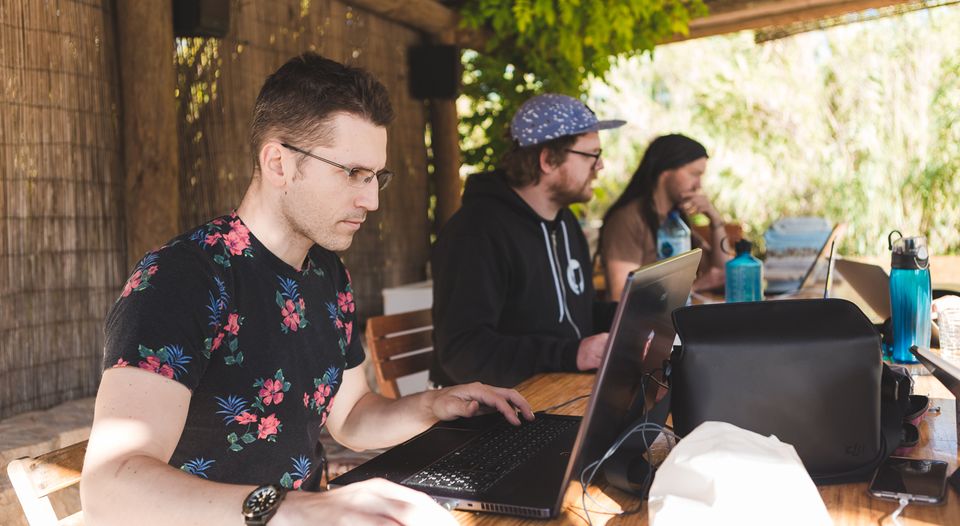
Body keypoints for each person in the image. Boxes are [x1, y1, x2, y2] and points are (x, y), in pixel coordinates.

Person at [81, 53, 534, 526]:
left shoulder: (327, 273)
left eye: (376, 176)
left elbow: (352, 416)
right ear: (278, 162)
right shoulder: (181, 279)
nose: (371, 199)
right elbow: (110, 489)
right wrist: (299, 509)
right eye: (352, 173)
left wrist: (431, 405)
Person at [429, 93, 623, 388]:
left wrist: (634, 316)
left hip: (558, 393)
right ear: (547, 160)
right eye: (592, 155)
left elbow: (575, 316)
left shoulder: (565, 223)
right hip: (488, 415)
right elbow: (463, 353)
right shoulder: (477, 232)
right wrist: (571, 355)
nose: (601, 166)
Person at [599, 134, 730, 299]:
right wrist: (696, 286)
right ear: (666, 171)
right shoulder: (627, 219)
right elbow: (621, 297)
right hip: (642, 324)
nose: (698, 185)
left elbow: (722, 272)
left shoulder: (676, 221)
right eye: (694, 174)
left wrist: (715, 220)